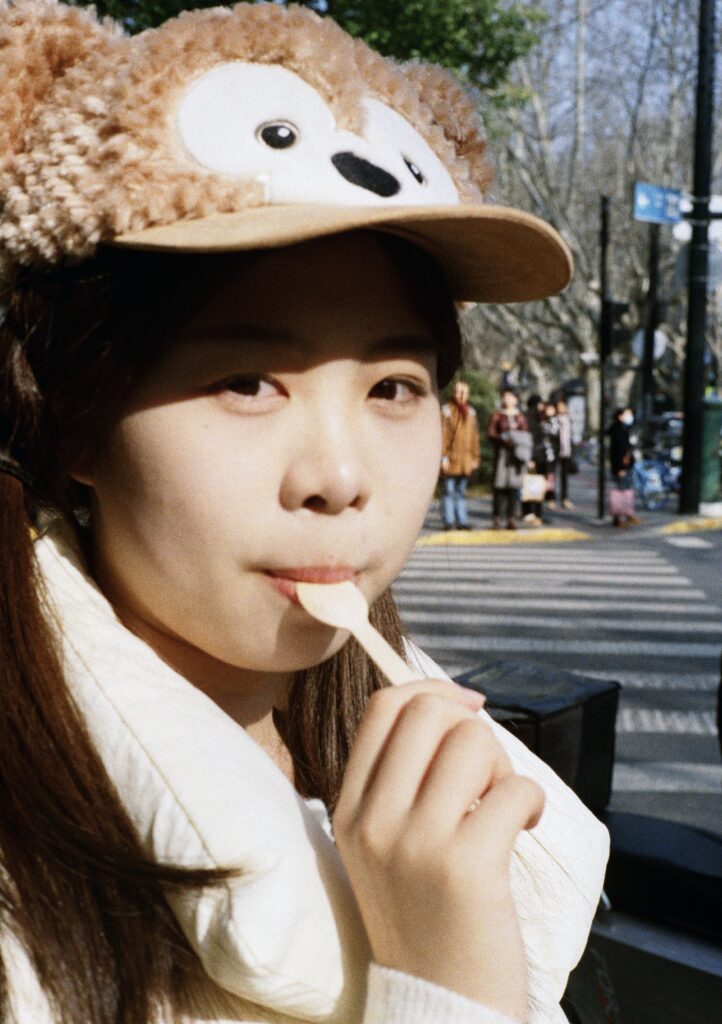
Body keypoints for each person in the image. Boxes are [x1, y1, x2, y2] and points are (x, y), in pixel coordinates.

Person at [0, 4, 608, 1024]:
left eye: (393, 387)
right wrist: (441, 983)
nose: (340, 476)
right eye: (247, 382)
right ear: (76, 422)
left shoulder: (394, 752)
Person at [486, 388, 530, 530]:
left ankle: (511, 517)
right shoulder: (497, 415)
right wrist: (502, 438)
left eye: (510, 397)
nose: (507, 399)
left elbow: (526, 435)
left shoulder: (520, 416)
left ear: (516, 399)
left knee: (513, 488)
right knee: (499, 487)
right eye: (505, 397)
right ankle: (497, 518)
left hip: (516, 456)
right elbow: (490, 432)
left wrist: (517, 440)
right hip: (502, 455)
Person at [440, 378, 481, 530]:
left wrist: (475, 457)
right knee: (448, 491)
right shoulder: (446, 410)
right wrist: (443, 457)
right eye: (458, 392)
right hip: (450, 459)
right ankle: (449, 520)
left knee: (461, 492)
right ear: (453, 393)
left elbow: (475, 437)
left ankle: (462, 520)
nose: (461, 395)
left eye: (464, 393)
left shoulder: (470, 412)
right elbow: (442, 436)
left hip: (466, 460)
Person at [608, 406, 641, 528]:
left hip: (627, 464)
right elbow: (617, 451)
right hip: (621, 465)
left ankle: (627, 514)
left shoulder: (627, 429)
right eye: (627, 414)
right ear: (620, 416)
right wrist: (619, 467)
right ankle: (618, 517)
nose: (630, 416)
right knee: (620, 491)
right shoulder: (617, 430)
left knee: (626, 490)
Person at [521, 395, 547, 525]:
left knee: (535, 485)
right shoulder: (530, 418)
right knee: (532, 485)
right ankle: (531, 512)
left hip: (540, 457)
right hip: (534, 457)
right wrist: (530, 458)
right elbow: (530, 439)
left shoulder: (539, 418)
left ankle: (533, 513)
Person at [555, 399, 575, 509]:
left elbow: (570, 437)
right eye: (559, 407)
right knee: (552, 476)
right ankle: (551, 498)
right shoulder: (554, 419)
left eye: (563, 406)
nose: (561, 409)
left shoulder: (568, 419)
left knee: (564, 477)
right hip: (555, 450)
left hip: (566, 452)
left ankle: (565, 498)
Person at [540, 403, 560, 511]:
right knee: (544, 476)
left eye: (551, 409)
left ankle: (550, 498)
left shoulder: (555, 421)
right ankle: (543, 496)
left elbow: (556, 435)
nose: (549, 411)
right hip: (542, 454)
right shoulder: (542, 421)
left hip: (551, 455)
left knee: (550, 477)